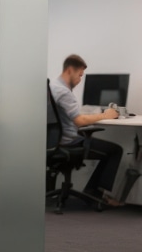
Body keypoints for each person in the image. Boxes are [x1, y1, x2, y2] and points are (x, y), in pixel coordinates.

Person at [49, 54, 124, 206]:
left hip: (50, 143)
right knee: (115, 150)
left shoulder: (51, 87)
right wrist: (105, 115)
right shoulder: (64, 92)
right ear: (70, 70)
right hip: (69, 143)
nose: (80, 80)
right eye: (80, 75)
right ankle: (95, 193)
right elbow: (79, 121)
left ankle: (92, 191)